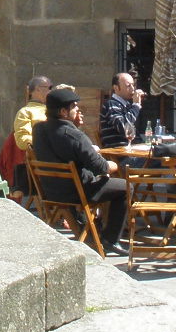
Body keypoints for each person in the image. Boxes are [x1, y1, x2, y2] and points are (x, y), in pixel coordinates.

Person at [30, 86, 127, 252]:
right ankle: (110, 238)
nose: (77, 109)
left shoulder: (38, 130)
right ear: (63, 112)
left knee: (111, 185)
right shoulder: (74, 135)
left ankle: (95, 229)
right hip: (78, 192)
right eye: (74, 106)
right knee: (126, 187)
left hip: (50, 191)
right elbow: (100, 167)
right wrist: (116, 165)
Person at [3, 75, 51, 202]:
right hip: (41, 162)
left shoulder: (52, 109)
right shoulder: (25, 112)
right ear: (38, 89)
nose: (51, 91)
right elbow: (23, 141)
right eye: (48, 88)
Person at [100, 72, 141, 148]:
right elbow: (123, 127)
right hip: (119, 153)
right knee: (157, 160)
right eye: (128, 86)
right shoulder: (111, 104)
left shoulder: (128, 105)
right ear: (116, 88)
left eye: (133, 85)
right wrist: (136, 105)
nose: (133, 89)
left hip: (133, 150)